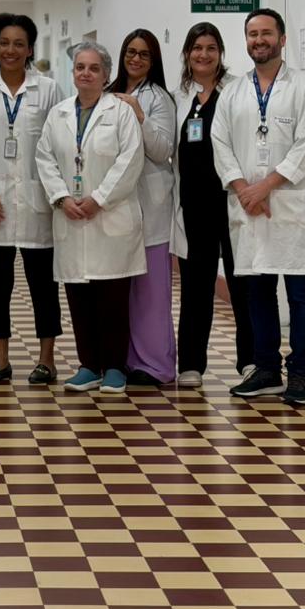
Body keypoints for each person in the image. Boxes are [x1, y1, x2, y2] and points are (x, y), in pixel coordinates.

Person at [212, 8, 305, 407]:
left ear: (282, 39)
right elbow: (220, 142)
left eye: (266, 33)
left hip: (291, 205)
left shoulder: (304, 87)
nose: (259, 40)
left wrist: (265, 187)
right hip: (249, 206)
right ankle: (266, 369)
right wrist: (244, 188)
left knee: (300, 292)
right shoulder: (233, 92)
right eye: (252, 34)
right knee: (257, 291)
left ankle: (300, 373)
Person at [0, 13, 63, 385]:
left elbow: (58, 143)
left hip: (38, 202)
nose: (11, 50)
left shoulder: (48, 89)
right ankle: (0, 360)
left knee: (44, 287)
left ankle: (47, 360)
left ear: (30, 48)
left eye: (19, 43)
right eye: (4, 43)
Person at [36, 43, 145, 395]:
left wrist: (99, 198)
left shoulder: (121, 112)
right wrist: (61, 197)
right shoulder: (59, 114)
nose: (86, 73)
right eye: (80, 67)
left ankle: (114, 367)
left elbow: (130, 160)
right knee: (79, 296)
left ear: (106, 75)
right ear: (73, 73)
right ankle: (88, 365)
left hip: (109, 214)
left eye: (94, 68)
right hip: (70, 214)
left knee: (112, 298)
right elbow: (44, 159)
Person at [171, 23, 253, 387]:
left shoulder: (237, 90)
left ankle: (251, 360)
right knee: (195, 286)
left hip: (231, 200)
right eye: (197, 48)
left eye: (211, 48)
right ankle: (191, 364)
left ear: (220, 53)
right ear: (187, 53)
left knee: (242, 283)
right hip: (193, 205)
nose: (203, 54)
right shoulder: (179, 97)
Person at [107, 28, 176, 386]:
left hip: (151, 206)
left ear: (153, 61)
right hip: (114, 205)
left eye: (144, 54)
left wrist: (139, 115)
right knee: (121, 292)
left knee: (150, 292)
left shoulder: (158, 98)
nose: (135, 59)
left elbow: (163, 150)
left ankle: (155, 365)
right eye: (130, 52)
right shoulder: (108, 94)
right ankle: (126, 359)